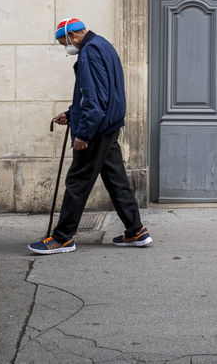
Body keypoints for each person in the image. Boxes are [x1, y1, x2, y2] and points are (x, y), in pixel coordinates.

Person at [28, 18, 152, 255]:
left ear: (73, 35)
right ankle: (136, 231)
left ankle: (62, 238)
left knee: (78, 181)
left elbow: (93, 96)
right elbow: (102, 92)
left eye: (64, 42)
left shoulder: (89, 52)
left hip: (96, 130)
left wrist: (83, 133)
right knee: (116, 181)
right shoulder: (103, 45)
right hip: (109, 126)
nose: (65, 47)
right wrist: (71, 114)